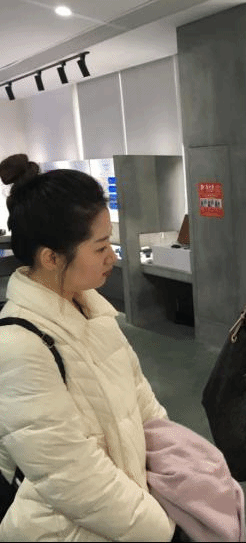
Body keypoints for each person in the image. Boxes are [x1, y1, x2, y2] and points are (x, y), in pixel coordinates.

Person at [0, 154, 176, 540]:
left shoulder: (94, 310)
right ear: (51, 257)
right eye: (100, 248)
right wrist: (162, 529)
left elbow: (143, 402)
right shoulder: (17, 346)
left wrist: (178, 468)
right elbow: (73, 479)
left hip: (128, 514)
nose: (112, 256)